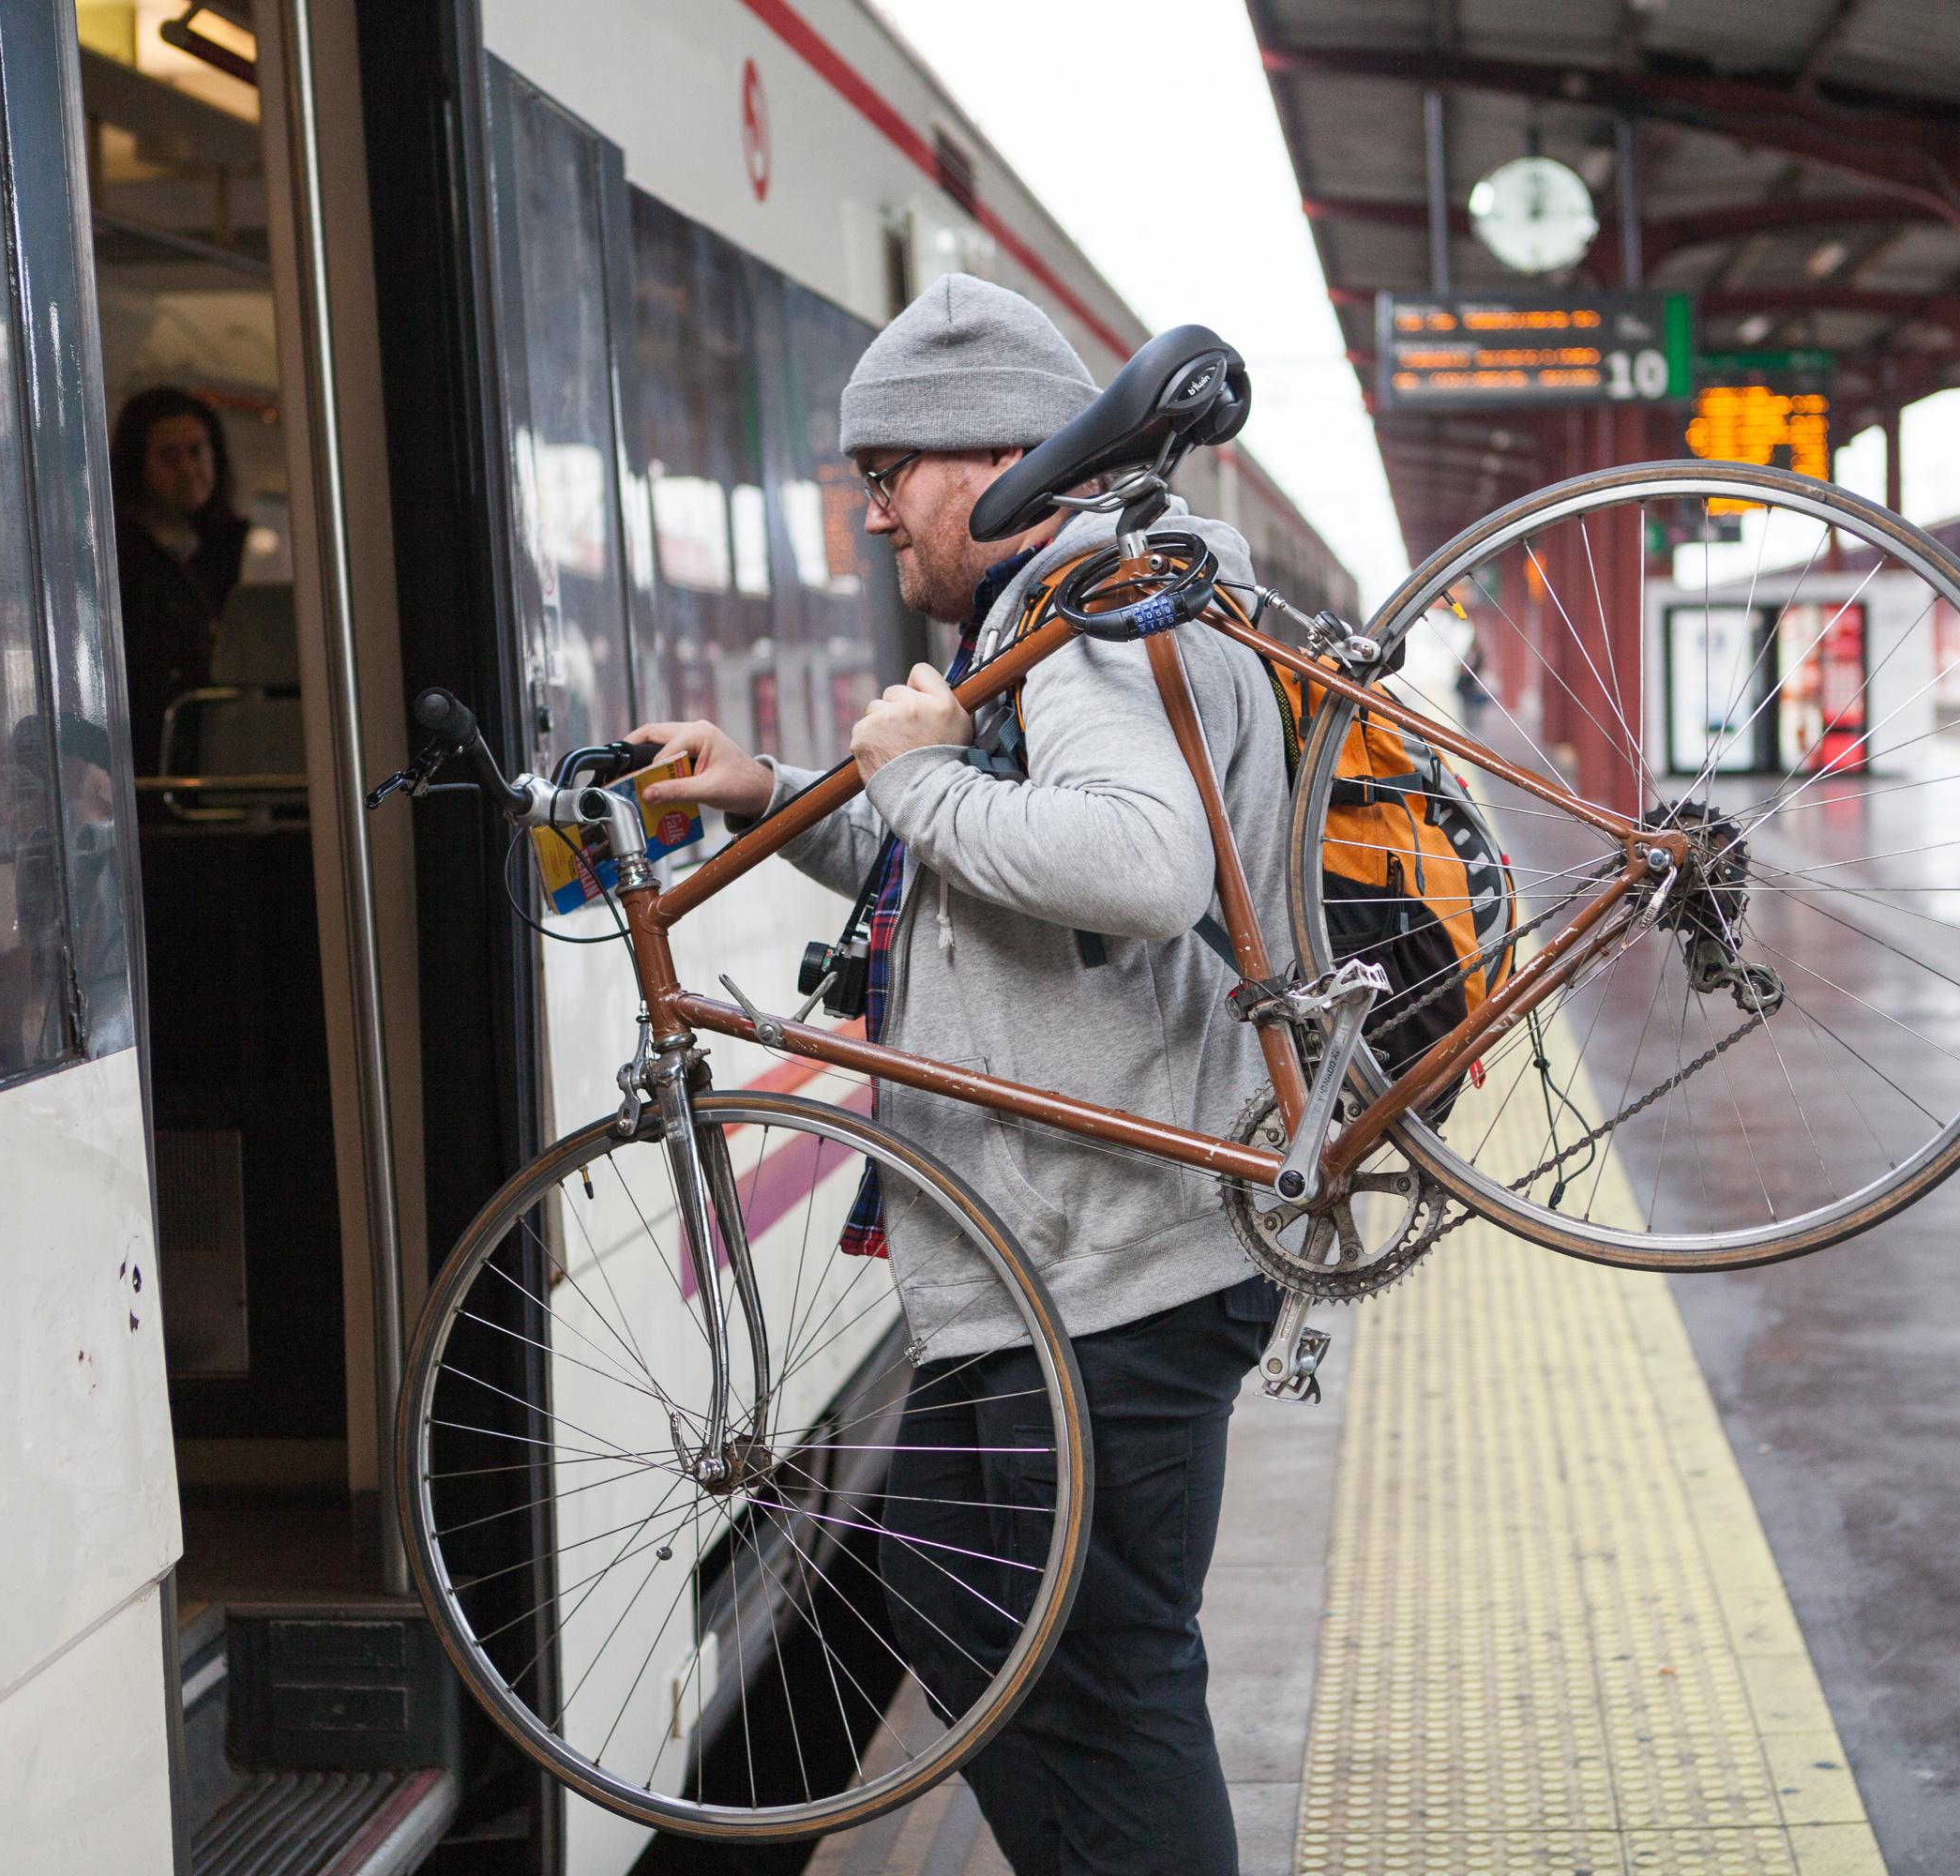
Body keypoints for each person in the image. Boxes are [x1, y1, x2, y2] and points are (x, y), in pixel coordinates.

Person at [636, 275, 1287, 1876]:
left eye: (890, 479)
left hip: (1108, 1263)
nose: (874, 522)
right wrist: (777, 793)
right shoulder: (1046, 618)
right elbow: (977, 881)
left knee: (1112, 1686)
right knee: (949, 1593)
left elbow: (1133, 865)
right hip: (1052, 1262)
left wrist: (917, 768)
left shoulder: (1094, 616)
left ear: (1001, 462)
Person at [111, 385, 248, 776]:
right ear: (139, 465)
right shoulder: (122, 554)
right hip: (154, 756)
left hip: (224, 749)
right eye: (169, 456)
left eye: (197, 451)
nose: (187, 470)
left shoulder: (233, 544)